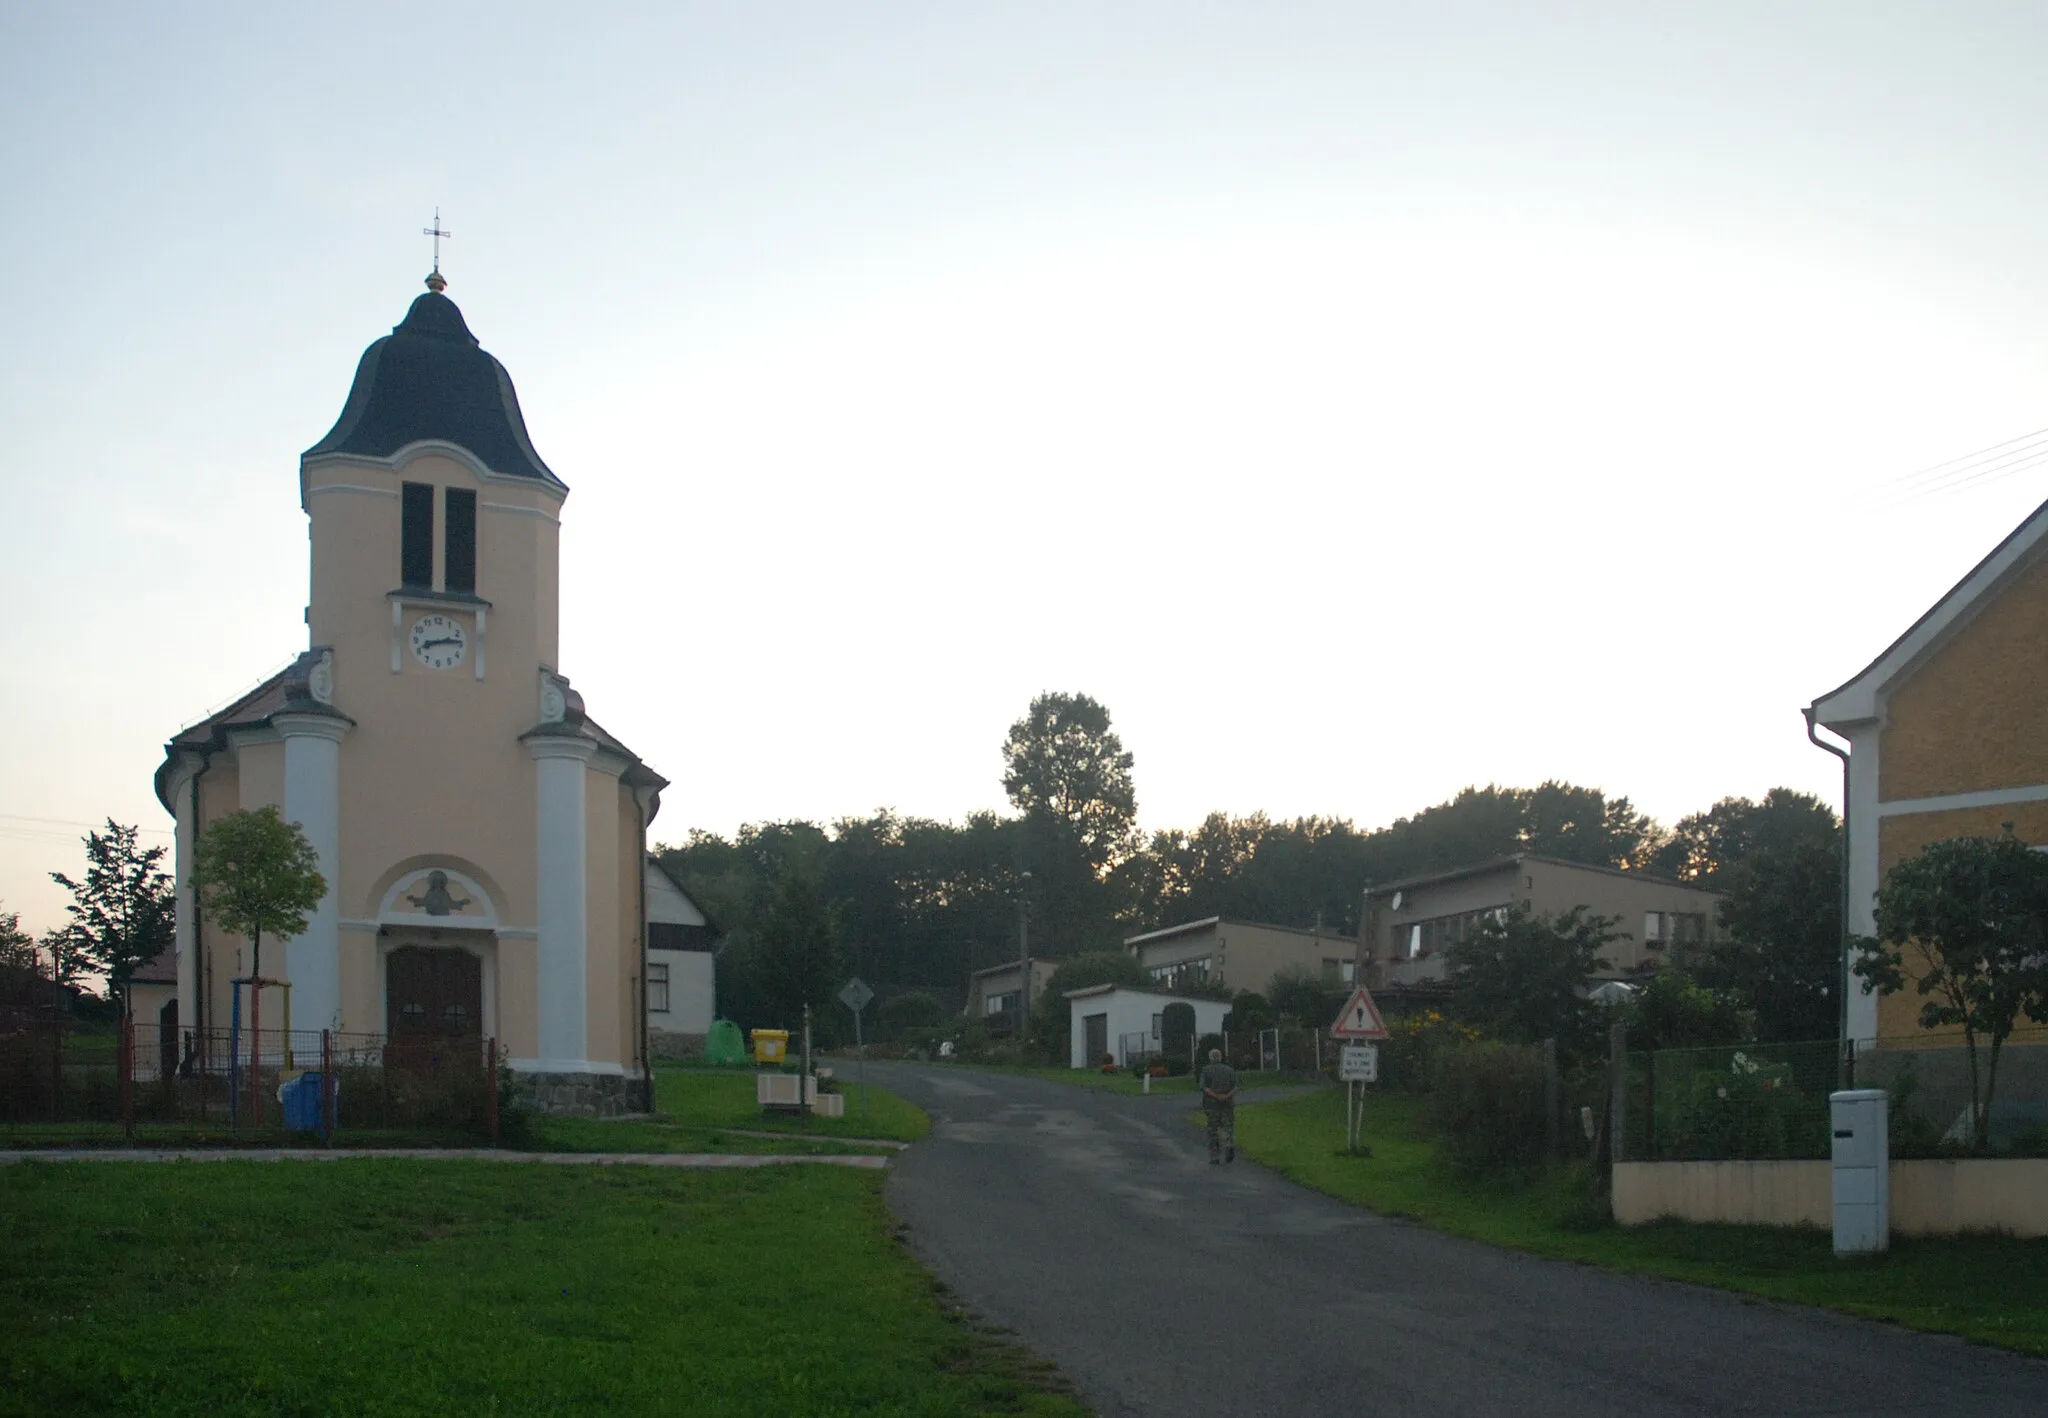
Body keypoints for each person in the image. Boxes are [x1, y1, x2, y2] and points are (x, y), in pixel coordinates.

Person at [1199, 1047, 1238, 1164]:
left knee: (1213, 1130)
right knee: (1228, 1127)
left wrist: (1215, 1095)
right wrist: (1226, 1096)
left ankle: (1215, 1156)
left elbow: (1203, 1087)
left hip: (1212, 1104)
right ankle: (1228, 1144)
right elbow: (1236, 1086)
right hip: (1227, 1103)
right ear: (1221, 1057)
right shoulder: (1229, 1070)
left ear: (1210, 1058)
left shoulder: (1206, 1070)